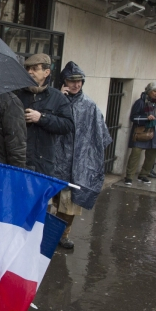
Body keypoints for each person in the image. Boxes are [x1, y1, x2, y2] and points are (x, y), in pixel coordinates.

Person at [54, 62, 112, 249]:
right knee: (53, 201)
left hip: (77, 164)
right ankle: (49, 232)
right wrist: (57, 101)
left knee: (70, 204)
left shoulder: (90, 106)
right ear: (64, 81)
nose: (76, 85)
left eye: (79, 81)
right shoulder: (54, 99)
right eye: (72, 80)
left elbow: (100, 136)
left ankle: (62, 235)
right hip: (54, 161)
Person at [15, 53, 74, 176]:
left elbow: (67, 125)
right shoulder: (16, 95)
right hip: (19, 162)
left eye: (34, 69)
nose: (30, 72)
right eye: (27, 69)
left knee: (42, 195)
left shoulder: (58, 97)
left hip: (43, 164)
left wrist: (41, 118)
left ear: (46, 72)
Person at [124, 82, 156, 185]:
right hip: (142, 132)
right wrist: (146, 118)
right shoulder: (140, 102)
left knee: (151, 155)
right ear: (149, 91)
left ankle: (144, 174)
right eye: (154, 91)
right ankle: (129, 176)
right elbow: (133, 117)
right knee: (135, 153)